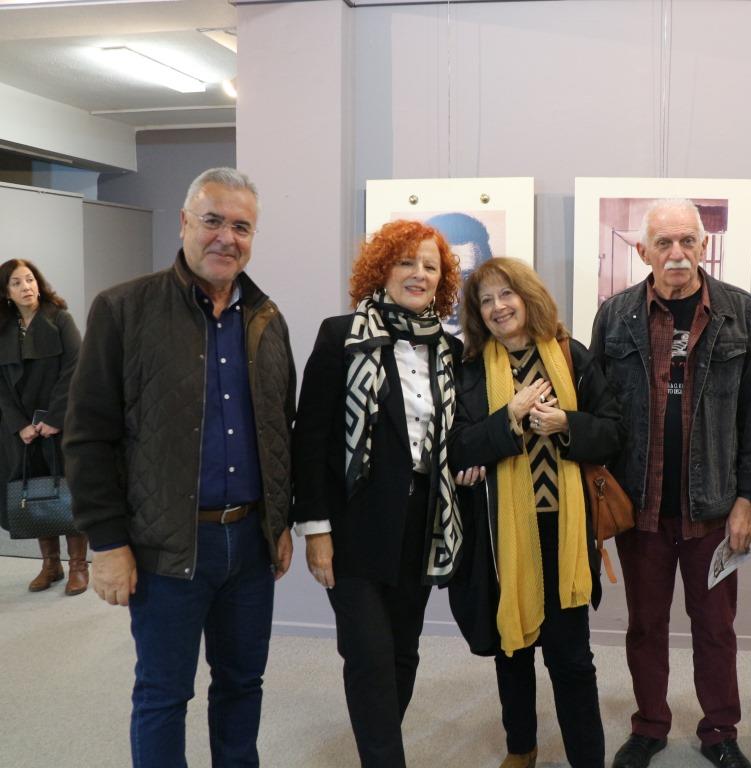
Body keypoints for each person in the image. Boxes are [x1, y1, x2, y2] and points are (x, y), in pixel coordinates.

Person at [63, 167, 295, 768]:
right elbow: (88, 438)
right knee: (164, 694)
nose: (226, 237)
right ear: (184, 222)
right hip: (166, 546)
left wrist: (281, 520)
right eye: (212, 220)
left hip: (249, 543)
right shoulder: (123, 309)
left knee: (242, 684)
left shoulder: (267, 319)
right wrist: (106, 543)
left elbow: (280, 430)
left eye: (241, 226)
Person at [590, 199, 751, 768]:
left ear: (703, 245)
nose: (676, 253)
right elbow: (598, 413)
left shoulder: (741, 313)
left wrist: (748, 499)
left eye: (687, 241)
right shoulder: (615, 315)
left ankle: (720, 730)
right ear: (644, 250)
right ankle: (649, 725)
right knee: (645, 626)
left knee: (716, 627)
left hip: (714, 509)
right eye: (664, 243)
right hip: (640, 507)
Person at [291, 219, 467, 768]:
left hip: (423, 522)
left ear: (442, 280)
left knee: (403, 651)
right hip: (353, 525)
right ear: (381, 269)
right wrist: (315, 529)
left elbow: (456, 437)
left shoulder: (449, 349)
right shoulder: (340, 335)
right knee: (368, 654)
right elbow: (309, 438)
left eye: (430, 266)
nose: (419, 274)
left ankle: (379, 747)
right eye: (406, 262)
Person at [449, 257, 620, 768]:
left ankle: (587, 759)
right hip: (501, 535)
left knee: (572, 659)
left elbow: (613, 433)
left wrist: (567, 424)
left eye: (507, 294)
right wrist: (511, 416)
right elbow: (457, 448)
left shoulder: (571, 355)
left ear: (527, 297)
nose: (498, 307)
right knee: (513, 649)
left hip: (564, 533)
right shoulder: (470, 370)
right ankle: (521, 748)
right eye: (486, 300)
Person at [0, 259, 87, 595]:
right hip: (23, 429)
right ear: (6, 292)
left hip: (60, 422)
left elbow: (75, 369)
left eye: (30, 279)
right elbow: (1, 385)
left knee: (69, 489)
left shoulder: (59, 318)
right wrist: (19, 425)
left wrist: (54, 418)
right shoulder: (3, 328)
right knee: (34, 490)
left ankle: (78, 565)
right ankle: (51, 564)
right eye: (17, 283)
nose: (27, 287)